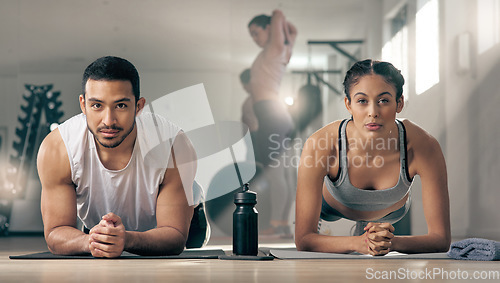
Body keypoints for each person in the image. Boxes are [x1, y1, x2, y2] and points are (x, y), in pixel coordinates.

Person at [37, 56, 207, 258]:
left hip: (175, 228)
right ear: (83, 105)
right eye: (97, 105)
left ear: (139, 106)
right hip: (98, 227)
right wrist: (94, 240)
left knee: (191, 246)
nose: (108, 121)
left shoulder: (173, 146)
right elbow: (56, 231)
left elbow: (175, 235)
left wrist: (126, 239)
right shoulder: (57, 148)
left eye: (121, 106)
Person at [295, 59, 451, 255]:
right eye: (362, 101)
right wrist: (356, 244)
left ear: (399, 103)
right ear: (348, 104)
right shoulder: (320, 143)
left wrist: (391, 242)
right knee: (317, 224)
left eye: (384, 100)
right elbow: (303, 240)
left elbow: (440, 239)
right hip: (332, 208)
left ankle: (368, 231)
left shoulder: (424, 145)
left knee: (376, 237)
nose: (373, 112)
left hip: (391, 211)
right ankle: (358, 234)